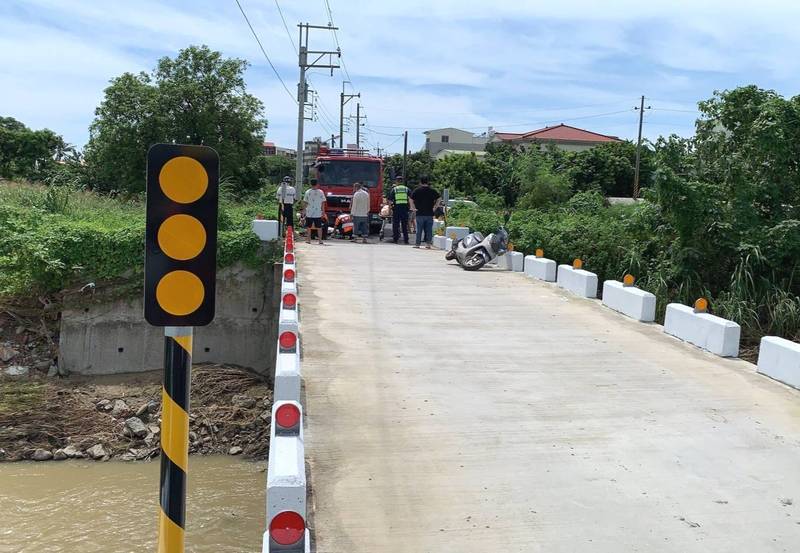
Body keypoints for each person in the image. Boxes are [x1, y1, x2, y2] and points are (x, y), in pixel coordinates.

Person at [410, 176, 441, 249]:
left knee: (419, 230)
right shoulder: (432, 190)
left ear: (420, 182)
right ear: (428, 182)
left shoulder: (417, 190)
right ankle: (428, 244)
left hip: (419, 213)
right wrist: (435, 207)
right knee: (429, 230)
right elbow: (439, 198)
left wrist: (413, 208)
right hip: (429, 213)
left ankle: (417, 244)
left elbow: (411, 199)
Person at [302, 179, 327, 245]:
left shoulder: (307, 192)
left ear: (311, 184)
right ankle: (320, 240)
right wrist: (323, 211)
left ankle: (309, 240)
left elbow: (305, 202)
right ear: (317, 184)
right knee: (319, 227)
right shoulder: (321, 192)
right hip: (318, 212)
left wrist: (304, 210)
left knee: (309, 227)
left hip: (309, 212)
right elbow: (323, 202)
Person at [387, 176, 410, 244]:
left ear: (396, 181)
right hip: (405, 209)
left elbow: (390, 200)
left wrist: (389, 210)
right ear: (402, 181)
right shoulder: (406, 189)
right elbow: (411, 198)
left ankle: (395, 239)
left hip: (396, 209)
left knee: (396, 225)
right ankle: (406, 240)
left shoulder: (394, 189)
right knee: (404, 225)